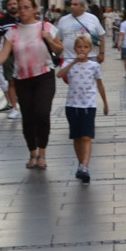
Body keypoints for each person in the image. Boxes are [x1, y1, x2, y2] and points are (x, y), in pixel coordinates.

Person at [0, 0, 63, 169]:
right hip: (22, 79)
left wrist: (49, 40)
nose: (22, 11)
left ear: (34, 9)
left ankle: (42, 152)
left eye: (26, 8)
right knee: (28, 116)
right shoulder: (13, 32)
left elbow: (59, 49)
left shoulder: (46, 27)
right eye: (20, 8)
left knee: (42, 113)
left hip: (44, 76)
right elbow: (4, 53)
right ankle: (32, 152)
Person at [55, 34, 106, 183]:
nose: (82, 49)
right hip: (72, 105)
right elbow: (59, 75)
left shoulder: (94, 66)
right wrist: (73, 62)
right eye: (79, 47)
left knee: (86, 136)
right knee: (77, 137)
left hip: (88, 105)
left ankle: (85, 166)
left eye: (85, 47)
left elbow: (100, 84)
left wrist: (105, 103)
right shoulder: (69, 64)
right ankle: (80, 163)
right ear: (75, 48)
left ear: (90, 49)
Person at [55, 0, 105, 67]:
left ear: (83, 7)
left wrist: (101, 53)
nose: (72, 6)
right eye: (71, 4)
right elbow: (58, 39)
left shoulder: (92, 18)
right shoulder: (63, 20)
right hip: (69, 58)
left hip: (90, 57)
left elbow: (101, 36)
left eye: (75, 4)